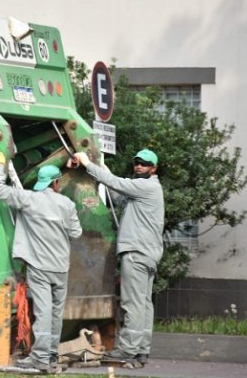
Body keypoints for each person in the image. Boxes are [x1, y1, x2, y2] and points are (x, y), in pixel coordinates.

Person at [69, 149, 164, 367]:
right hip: (147, 253)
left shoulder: (146, 187)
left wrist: (87, 164)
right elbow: (118, 195)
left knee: (132, 303)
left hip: (137, 253)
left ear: (153, 169)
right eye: (137, 162)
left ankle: (128, 350)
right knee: (144, 305)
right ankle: (141, 352)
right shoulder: (144, 190)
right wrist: (102, 166)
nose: (139, 166)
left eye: (144, 164)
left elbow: (115, 183)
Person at [0, 152, 82, 374]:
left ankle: (40, 359)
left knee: (43, 311)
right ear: (57, 183)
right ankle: (50, 354)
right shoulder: (67, 204)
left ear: (44, 183)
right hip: (61, 267)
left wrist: (0, 165)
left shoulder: (28, 199)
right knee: (55, 313)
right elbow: (77, 233)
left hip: (39, 268)